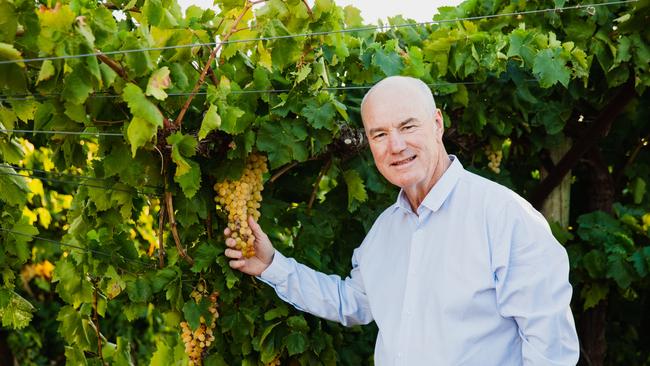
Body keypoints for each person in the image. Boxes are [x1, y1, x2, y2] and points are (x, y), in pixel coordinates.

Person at [224, 76, 580, 365]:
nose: (395, 145)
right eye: (379, 134)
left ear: (437, 124)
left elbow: (551, 347)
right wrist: (271, 265)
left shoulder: (504, 216)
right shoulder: (384, 232)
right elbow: (353, 302)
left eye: (408, 126)